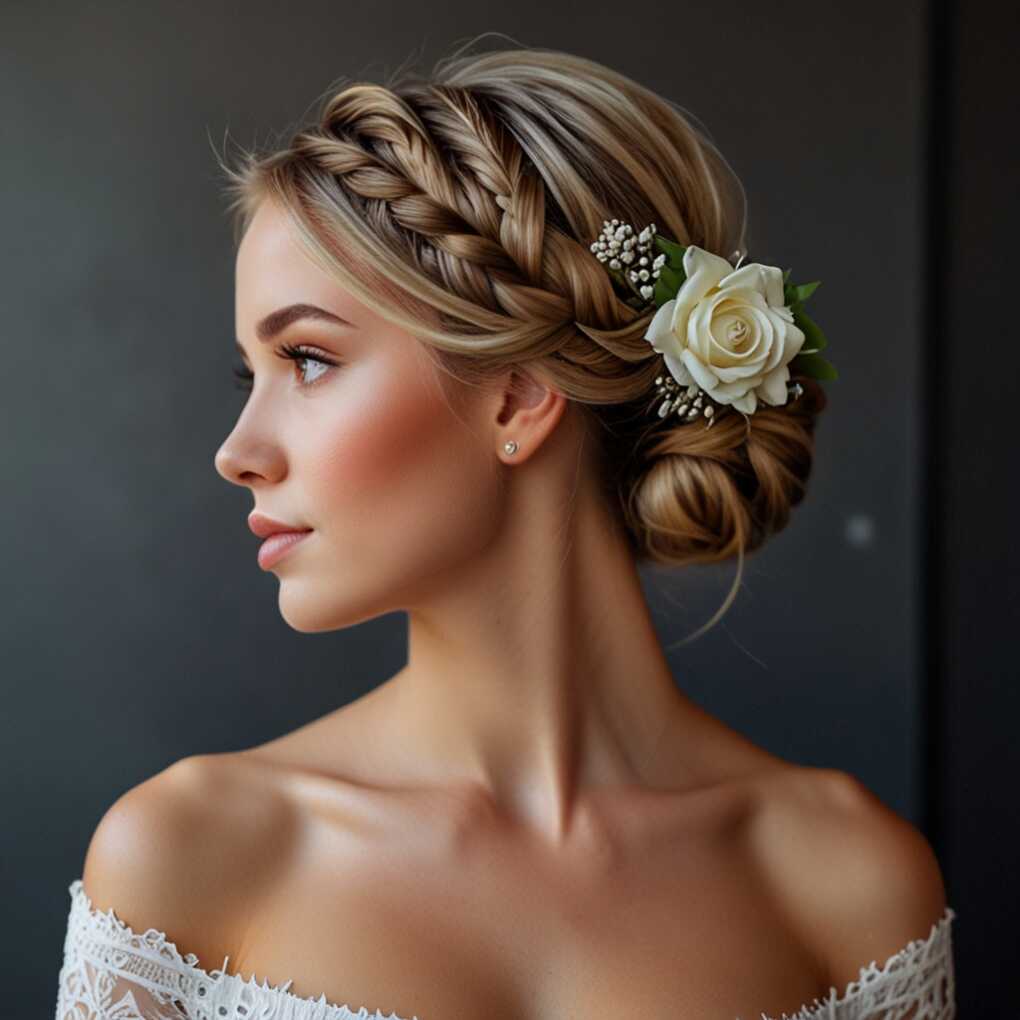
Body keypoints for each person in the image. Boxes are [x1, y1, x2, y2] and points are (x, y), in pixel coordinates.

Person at [54, 40, 956, 1020]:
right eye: (251, 372)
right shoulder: (187, 861)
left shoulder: (848, 885)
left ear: (520, 397)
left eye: (309, 359)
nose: (238, 451)